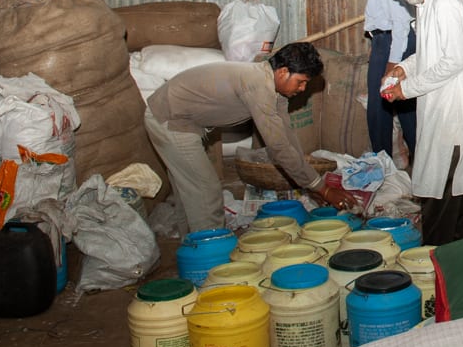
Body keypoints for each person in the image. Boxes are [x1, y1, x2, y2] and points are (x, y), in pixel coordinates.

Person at [144, 42, 356, 232]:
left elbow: (287, 137)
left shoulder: (274, 89)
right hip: (170, 120)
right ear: (283, 72)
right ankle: (211, 251)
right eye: (301, 82)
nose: (302, 89)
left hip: (181, 119)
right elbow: (279, 148)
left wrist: (313, 185)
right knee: (206, 192)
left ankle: (191, 248)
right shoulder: (258, 86)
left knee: (190, 192)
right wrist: (324, 189)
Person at [383, 0, 463, 245]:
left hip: (453, 112)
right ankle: (458, 255)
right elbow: (429, 53)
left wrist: (406, 90)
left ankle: (436, 257)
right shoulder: (425, 3)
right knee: (452, 195)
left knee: (442, 197)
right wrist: (404, 68)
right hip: (439, 109)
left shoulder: (445, 4)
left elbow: (453, 61)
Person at [352, 0, 417, 159]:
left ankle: (382, 162)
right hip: (385, 42)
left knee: (380, 106)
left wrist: (392, 63)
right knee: (404, 102)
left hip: (394, 42)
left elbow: (400, 23)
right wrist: (376, 46)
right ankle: (417, 158)